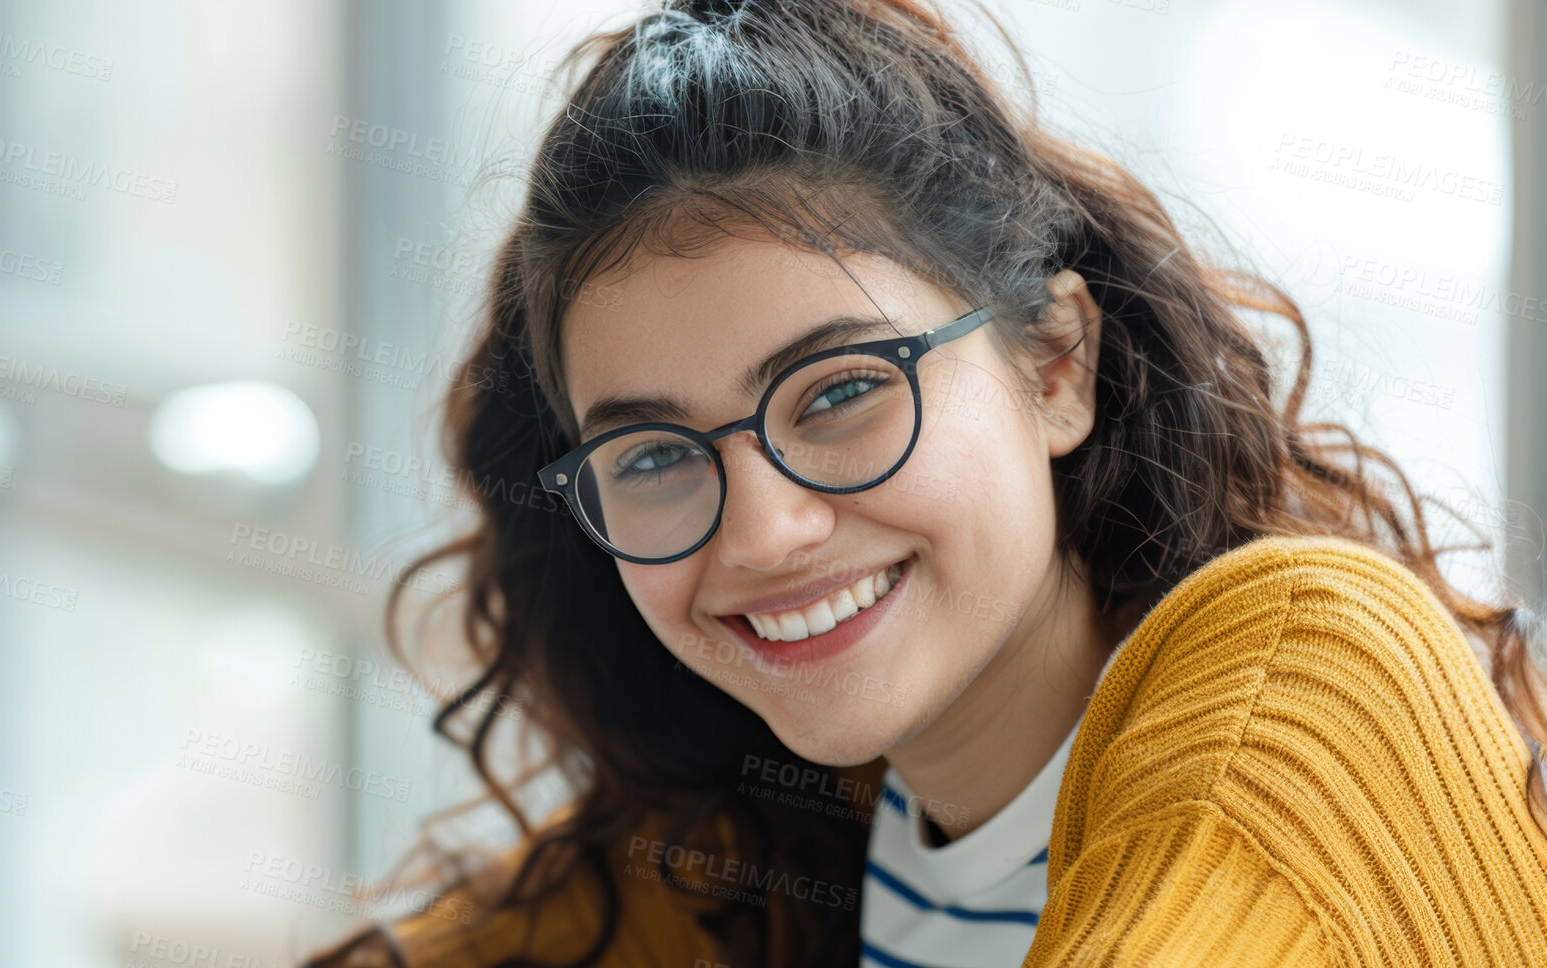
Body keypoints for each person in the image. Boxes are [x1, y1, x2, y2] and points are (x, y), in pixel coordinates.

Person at [303, 0, 1547, 964]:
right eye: (653, 456)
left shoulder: (1302, 680)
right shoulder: (795, 821)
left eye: (839, 392)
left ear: (1057, 364)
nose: (765, 530)